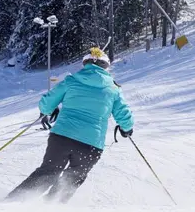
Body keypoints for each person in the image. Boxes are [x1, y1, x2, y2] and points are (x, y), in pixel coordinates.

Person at [8, 48, 133, 203]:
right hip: (90, 144)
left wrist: (49, 109)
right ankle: (51, 207)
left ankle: (11, 203)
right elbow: (123, 114)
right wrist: (126, 128)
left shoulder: (71, 81)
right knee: (73, 177)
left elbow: (46, 103)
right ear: (106, 67)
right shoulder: (113, 89)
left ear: (85, 64)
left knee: (49, 172)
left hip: (62, 137)